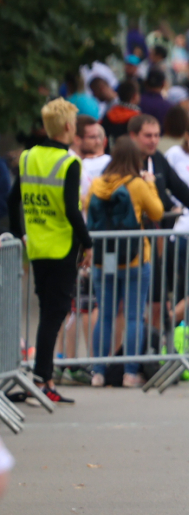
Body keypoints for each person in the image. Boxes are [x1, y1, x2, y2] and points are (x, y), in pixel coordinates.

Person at [7, 99, 94, 404]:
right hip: (61, 248)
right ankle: (41, 380)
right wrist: (88, 242)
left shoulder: (28, 157)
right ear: (69, 127)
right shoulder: (69, 163)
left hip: (37, 247)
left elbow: (11, 199)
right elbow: (72, 209)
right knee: (53, 315)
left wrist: (21, 235)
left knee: (49, 312)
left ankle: (43, 379)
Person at [85, 136, 164, 387]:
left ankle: (97, 371)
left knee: (105, 314)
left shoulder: (98, 184)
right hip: (134, 258)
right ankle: (130, 373)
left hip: (103, 258)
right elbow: (157, 212)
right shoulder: (137, 185)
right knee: (133, 316)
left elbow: (87, 206)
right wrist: (150, 185)